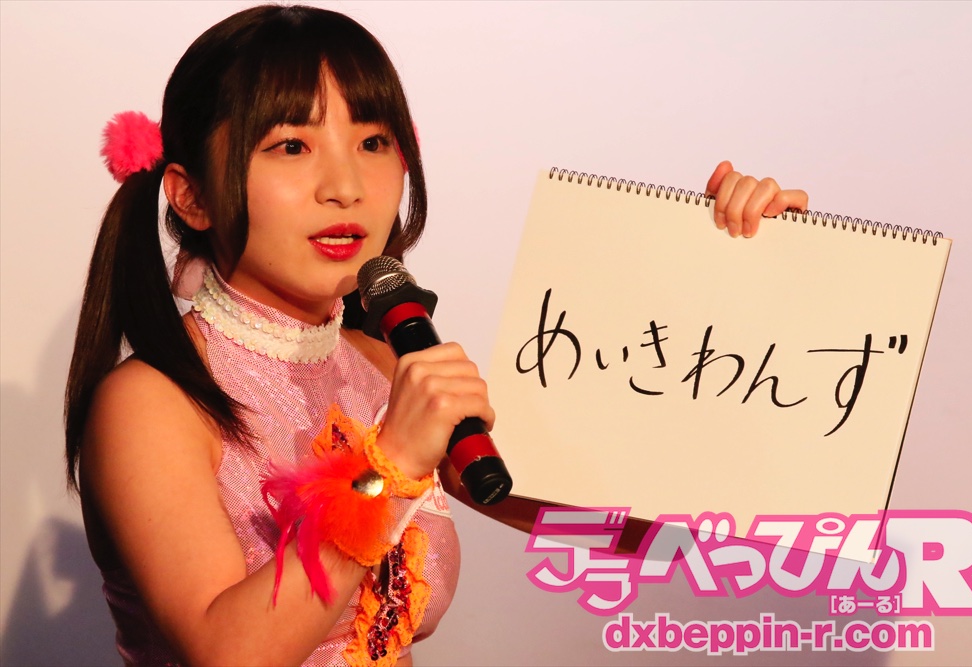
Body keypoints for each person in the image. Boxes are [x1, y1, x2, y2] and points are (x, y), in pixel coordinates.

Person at [63, 5, 808, 666]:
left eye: (373, 142)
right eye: (291, 146)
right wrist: (386, 466)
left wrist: (732, 280)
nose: (346, 186)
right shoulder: (151, 402)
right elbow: (227, 651)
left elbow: (621, 526)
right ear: (190, 195)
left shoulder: (382, 363)